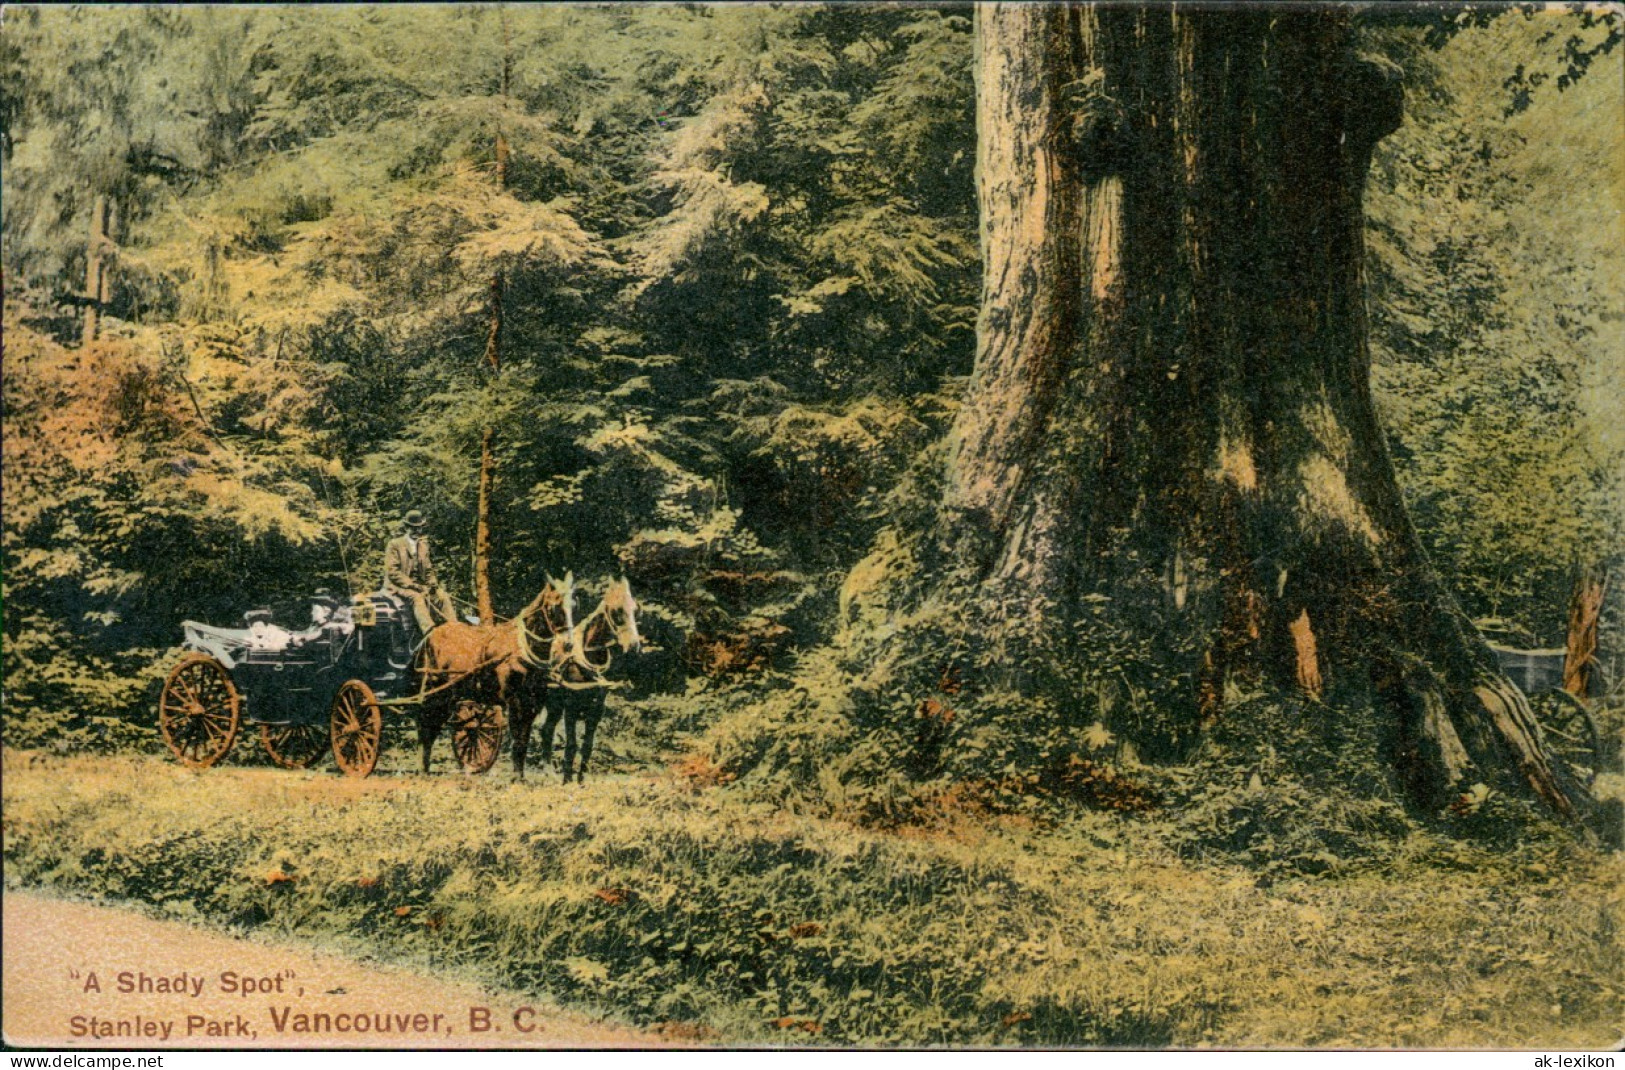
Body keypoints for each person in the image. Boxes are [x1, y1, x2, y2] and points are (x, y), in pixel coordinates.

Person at [383, 509, 456, 633]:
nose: (417, 531)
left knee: (442, 596)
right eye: (413, 528)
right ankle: (429, 632)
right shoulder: (395, 544)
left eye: (420, 528)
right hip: (398, 587)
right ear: (406, 527)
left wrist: (432, 583)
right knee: (417, 598)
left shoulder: (423, 546)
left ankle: (454, 628)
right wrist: (413, 585)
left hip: (420, 586)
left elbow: (428, 570)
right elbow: (393, 571)